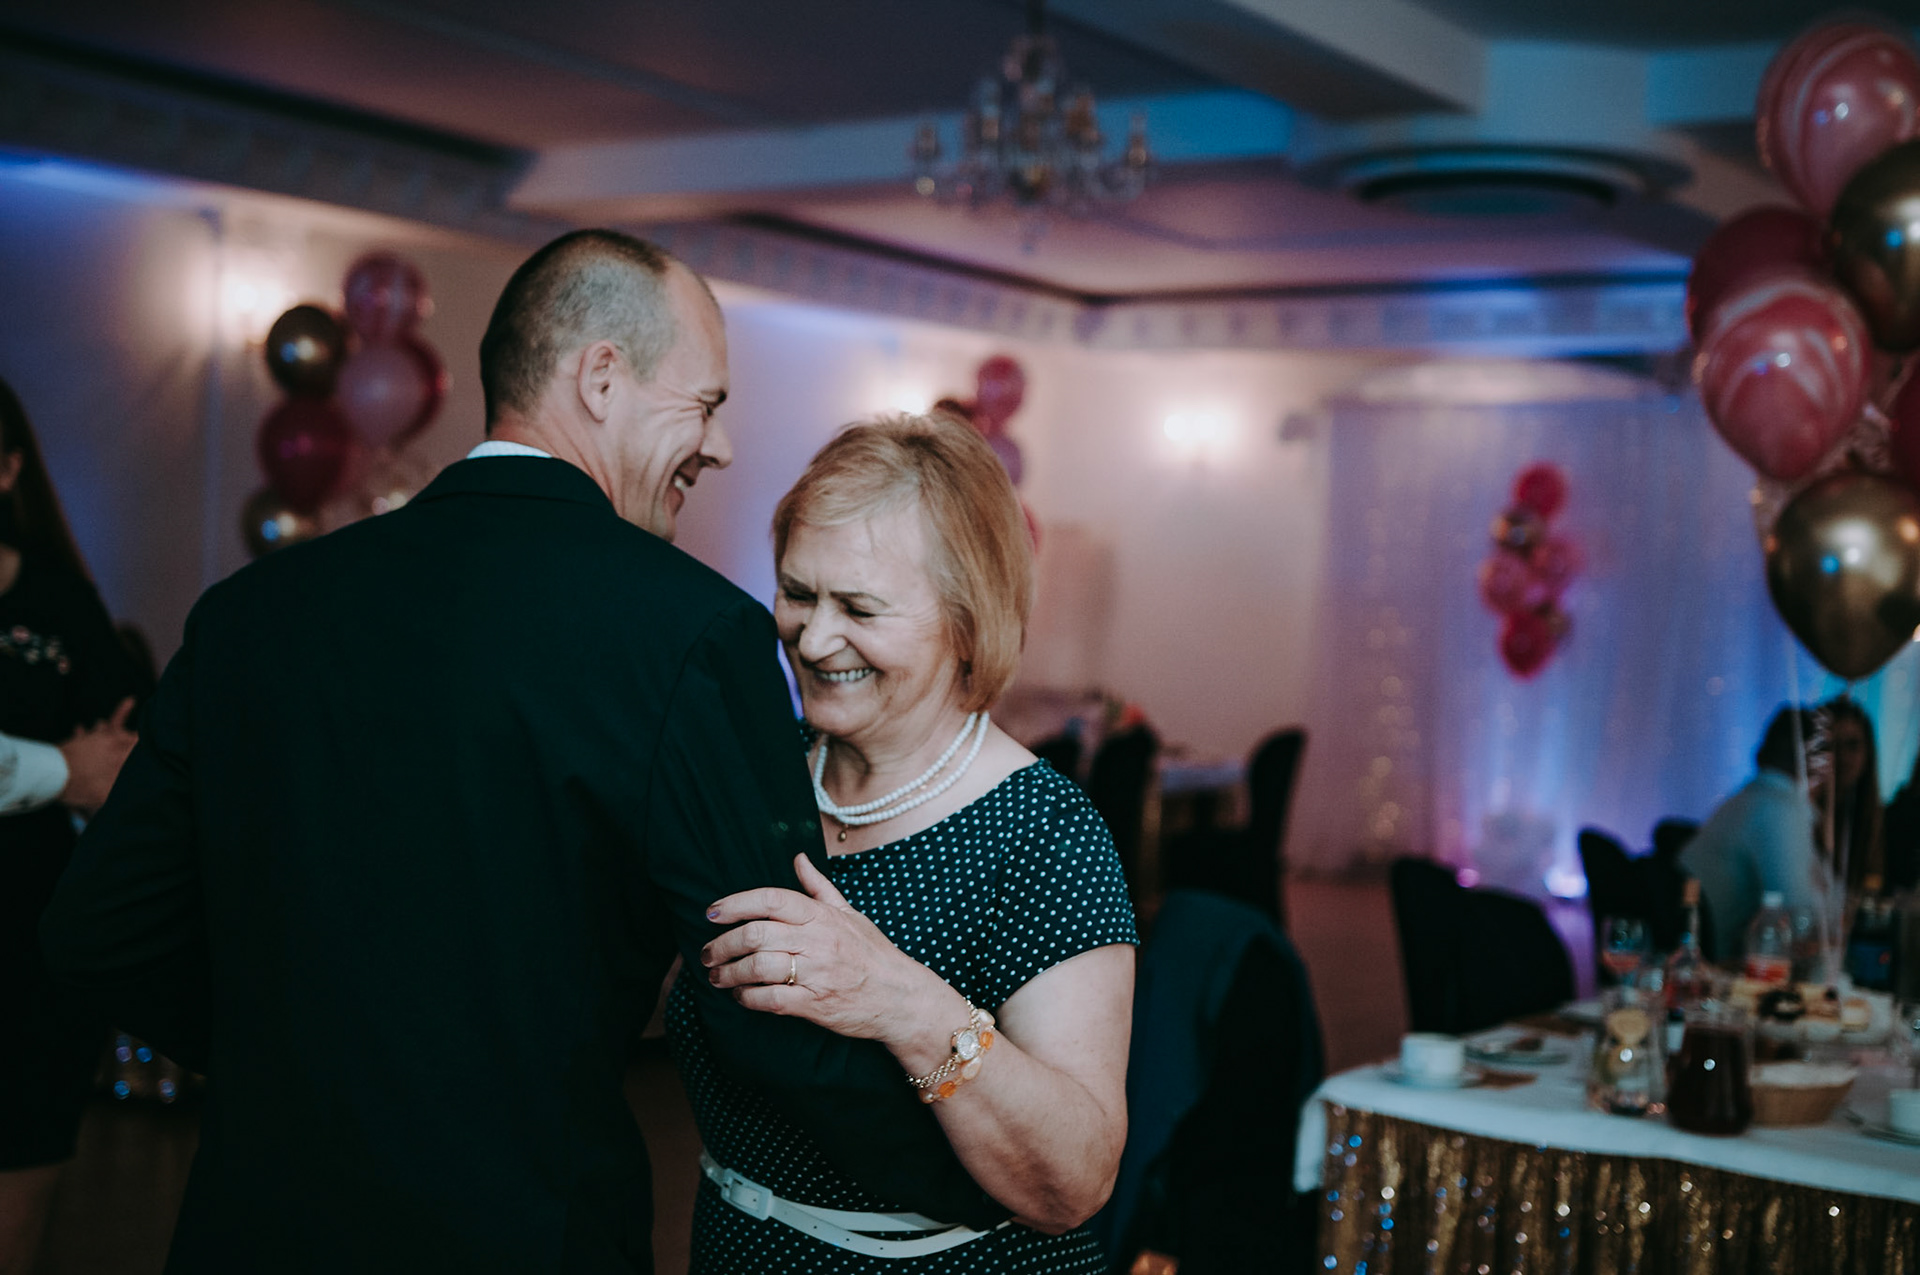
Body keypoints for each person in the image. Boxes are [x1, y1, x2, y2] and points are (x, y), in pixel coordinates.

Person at [41, 231, 994, 1275]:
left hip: (255, 1227)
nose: (719, 446)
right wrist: (974, 1181)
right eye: (706, 403)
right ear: (601, 377)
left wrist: (291, 1063)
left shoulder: (248, 612)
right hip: (524, 1227)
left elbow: (100, 928)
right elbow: (767, 987)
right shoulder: (689, 633)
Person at [682, 412, 1137, 1271]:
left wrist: (899, 1002)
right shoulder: (760, 776)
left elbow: (1076, 1181)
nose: (813, 638)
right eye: (798, 593)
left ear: (966, 619)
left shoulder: (1043, 831)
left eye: (859, 607)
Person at [0, 375, 145, 1275]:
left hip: (30, 950)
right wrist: (62, 769)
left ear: (9, 467)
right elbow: (83, 764)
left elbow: (125, 753)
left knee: (20, 1192)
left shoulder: (61, 603)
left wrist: (95, 774)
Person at [1681, 706, 1826, 958]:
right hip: (1715, 960)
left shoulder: (1754, 795)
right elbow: (1798, 914)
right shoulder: (1778, 808)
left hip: (1699, 946)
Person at [1815, 697, 1885, 893]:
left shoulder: (1877, 822)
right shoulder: (1800, 816)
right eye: (1831, 746)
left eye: (1852, 745)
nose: (1842, 757)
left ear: (1868, 752)